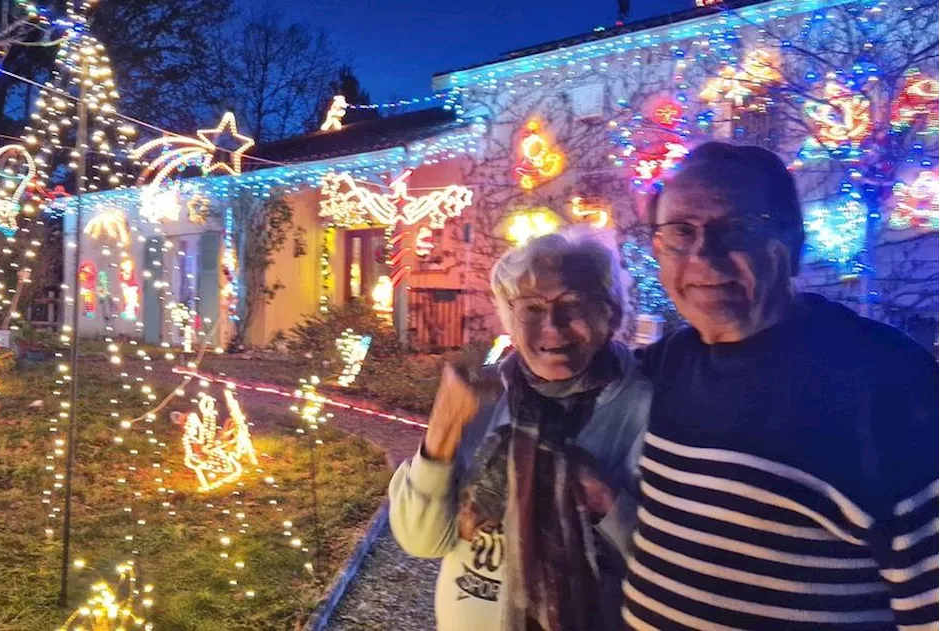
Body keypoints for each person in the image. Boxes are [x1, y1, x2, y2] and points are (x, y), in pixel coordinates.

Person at [623, 142, 939, 630]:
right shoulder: (669, 364)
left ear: (792, 246)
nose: (704, 254)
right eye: (680, 232)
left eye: (738, 229)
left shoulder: (889, 387)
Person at [389, 229, 651, 631]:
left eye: (573, 303)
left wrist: (608, 505)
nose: (552, 327)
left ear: (611, 314)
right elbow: (421, 541)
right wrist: (439, 437)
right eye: (531, 308)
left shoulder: (645, 407)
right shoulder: (485, 396)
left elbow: (671, 569)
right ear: (510, 318)